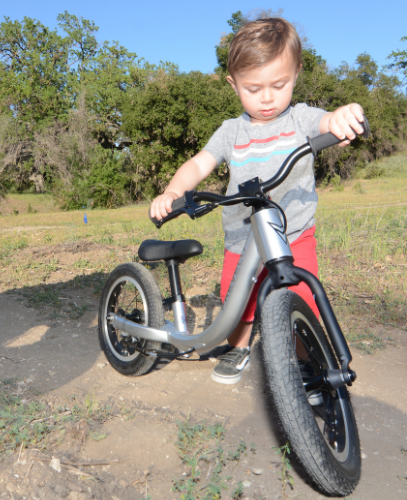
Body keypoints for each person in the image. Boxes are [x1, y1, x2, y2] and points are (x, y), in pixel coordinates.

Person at [150, 17, 365, 385]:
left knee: (302, 297)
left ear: (296, 73)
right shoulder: (231, 131)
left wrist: (346, 114)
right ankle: (239, 347)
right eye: (253, 88)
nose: (267, 97)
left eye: (278, 85)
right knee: (238, 301)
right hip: (242, 236)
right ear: (234, 85)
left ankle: (304, 361)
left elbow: (329, 121)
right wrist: (173, 191)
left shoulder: (300, 119)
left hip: (293, 232)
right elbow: (198, 163)